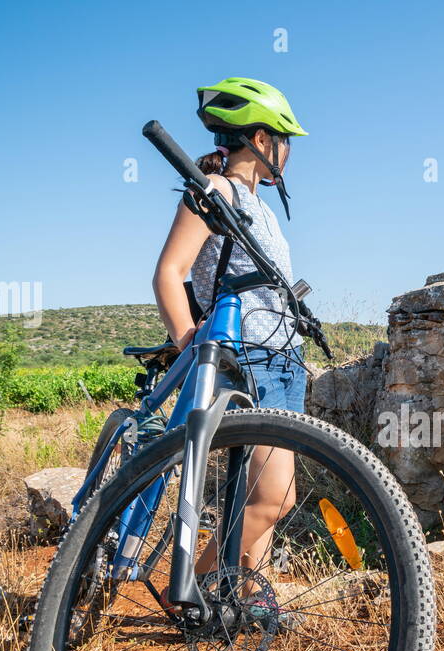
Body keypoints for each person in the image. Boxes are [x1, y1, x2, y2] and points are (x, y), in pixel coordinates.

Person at [150, 77, 308, 602]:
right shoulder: (214, 192)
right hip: (248, 361)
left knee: (254, 495)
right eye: (284, 140)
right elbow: (169, 273)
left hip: (284, 360)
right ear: (262, 140)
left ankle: (243, 597)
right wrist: (189, 338)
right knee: (274, 497)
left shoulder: (260, 207)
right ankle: (192, 590)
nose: (289, 153)